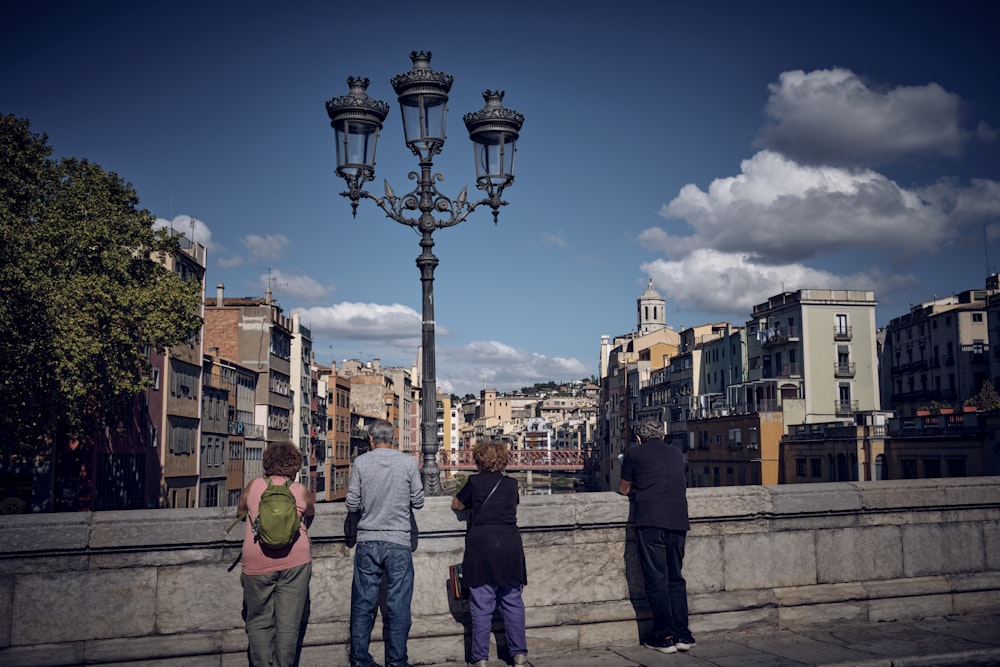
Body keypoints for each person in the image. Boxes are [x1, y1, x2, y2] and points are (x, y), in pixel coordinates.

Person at [347, 418, 425, 667]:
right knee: (399, 606)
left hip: (368, 540)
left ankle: (360, 660)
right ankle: (397, 661)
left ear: (370, 438)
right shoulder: (408, 462)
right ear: (392, 438)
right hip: (399, 542)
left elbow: (351, 504)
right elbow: (419, 501)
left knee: (363, 605)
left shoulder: (360, 462)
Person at [618, 420, 695, 655]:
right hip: (679, 520)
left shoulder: (633, 453)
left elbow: (624, 489)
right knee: (676, 578)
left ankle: (665, 636)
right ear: (662, 436)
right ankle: (683, 634)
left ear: (639, 438)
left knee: (657, 579)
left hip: (651, 521)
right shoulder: (675, 453)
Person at [451, 440, 530, 667]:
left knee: (481, 603)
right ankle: (519, 654)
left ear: (479, 460)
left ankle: (480, 657)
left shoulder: (474, 482)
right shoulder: (512, 484)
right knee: (512, 600)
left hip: (482, 545)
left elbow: (457, 504)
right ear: (502, 460)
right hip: (509, 544)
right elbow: (513, 502)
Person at [237, 441, 315, 667]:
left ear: (267, 462)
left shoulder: (254, 486)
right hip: (295, 562)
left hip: (256, 561)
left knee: (259, 620)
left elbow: (240, 512)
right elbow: (310, 511)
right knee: (288, 623)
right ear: (294, 465)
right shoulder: (299, 490)